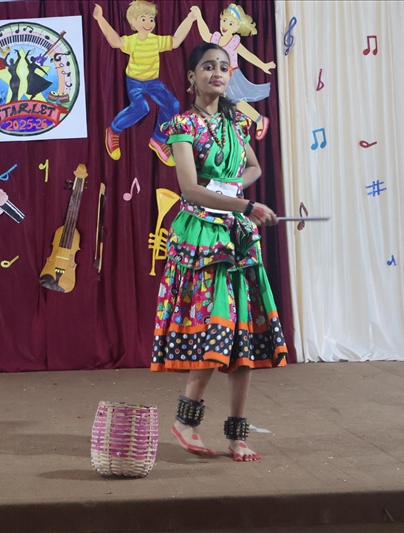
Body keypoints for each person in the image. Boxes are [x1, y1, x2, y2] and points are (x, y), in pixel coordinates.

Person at [152, 43, 287, 462]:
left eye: (224, 67)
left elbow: (254, 167)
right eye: (208, 66)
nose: (218, 73)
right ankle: (185, 422)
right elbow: (190, 189)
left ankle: (236, 436)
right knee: (219, 326)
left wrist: (232, 190)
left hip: (236, 233)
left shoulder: (236, 122)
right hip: (203, 236)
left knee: (243, 332)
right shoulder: (182, 124)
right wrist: (245, 204)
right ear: (191, 76)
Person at [93, 1, 195, 167]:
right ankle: (113, 130)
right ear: (133, 22)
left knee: (173, 105)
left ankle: (158, 139)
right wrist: (100, 18)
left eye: (151, 19)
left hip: (153, 82)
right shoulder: (132, 41)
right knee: (142, 108)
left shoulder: (155, 41)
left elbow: (175, 41)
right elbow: (115, 41)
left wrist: (190, 19)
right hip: (135, 82)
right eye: (143, 19)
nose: (148, 23)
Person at [189, 4, 276, 140]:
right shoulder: (217, 38)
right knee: (224, 103)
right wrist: (199, 17)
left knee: (234, 101)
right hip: (219, 75)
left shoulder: (233, 42)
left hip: (231, 76)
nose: (225, 25)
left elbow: (248, 55)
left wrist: (263, 65)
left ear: (237, 27)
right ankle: (232, 127)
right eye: (224, 20)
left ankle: (258, 119)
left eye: (230, 23)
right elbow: (205, 34)